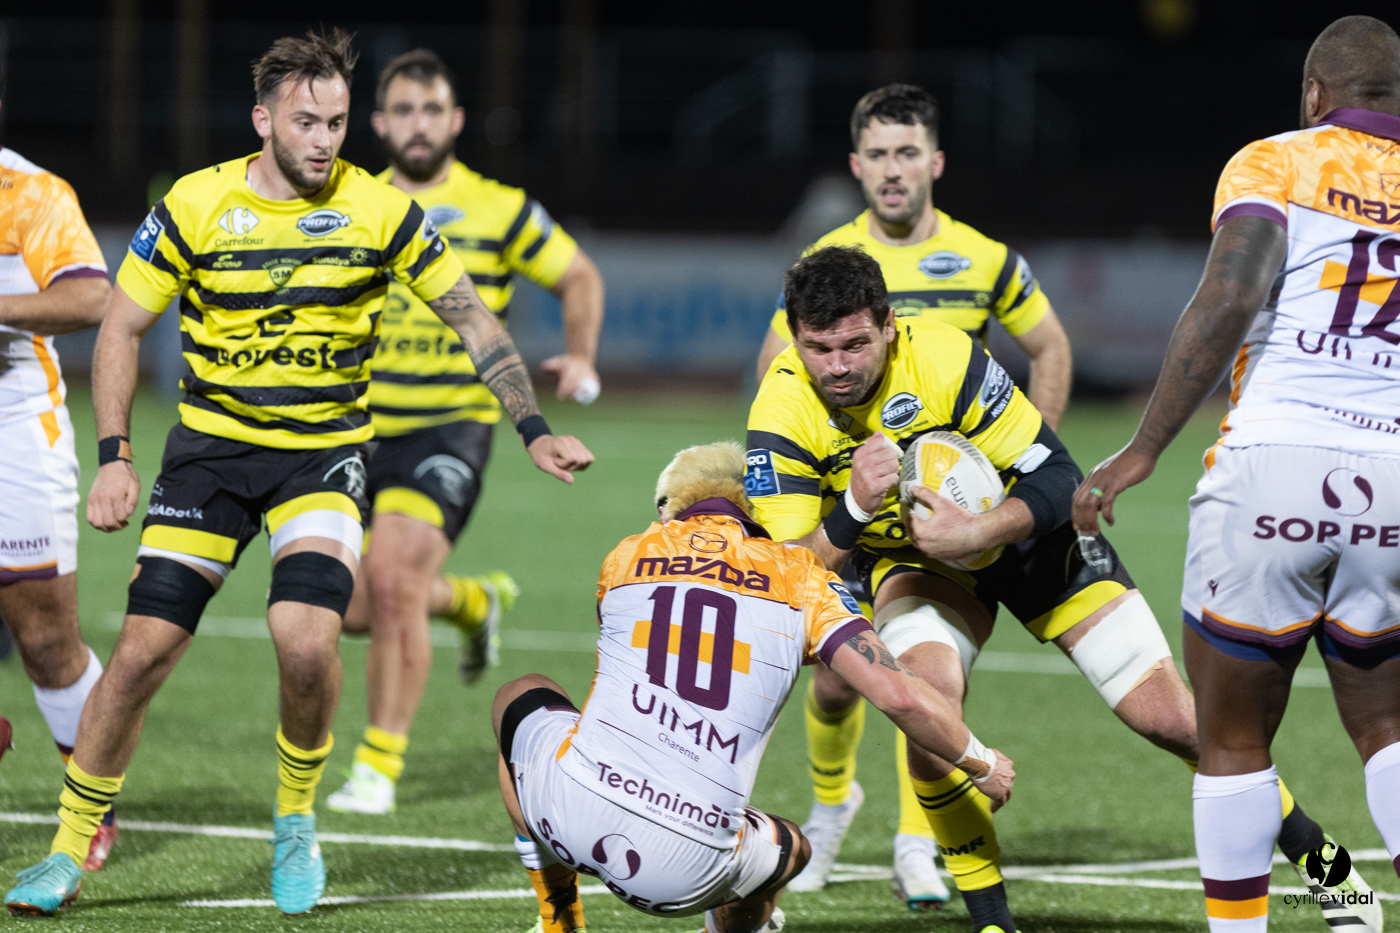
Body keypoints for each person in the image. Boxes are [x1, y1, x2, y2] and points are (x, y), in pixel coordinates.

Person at [3, 29, 592, 918]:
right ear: (262, 119)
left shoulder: (379, 209)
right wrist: (116, 456)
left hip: (321, 458)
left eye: (339, 123)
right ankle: (66, 845)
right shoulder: (198, 203)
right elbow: (120, 328)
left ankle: (295, 821)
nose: (325, 140)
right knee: (136, 654)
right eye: (307, 122)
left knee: (307, 638)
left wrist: (533, 426)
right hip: (209, 455)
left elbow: (472, 314)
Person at [747, 245, 1370, 932]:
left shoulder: (946, 357)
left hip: (1030, 540)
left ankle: (1329, 872)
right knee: (926, 720)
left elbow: (1056, 476)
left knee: (1179, 723)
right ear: (796, 337)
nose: (837, 366)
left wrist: (980, 528)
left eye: (854, 344)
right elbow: (789, 573)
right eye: (819, 348)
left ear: (889, 325)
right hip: (919, 563)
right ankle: (992, 921)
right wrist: (855, 511)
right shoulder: (779, 410)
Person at [1073, 15, 1400, 933]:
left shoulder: (1277, 160)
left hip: (1274, 462)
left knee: (1232, 735)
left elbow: (1231, 292)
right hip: (1395, 471)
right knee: (1385, 724)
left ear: (1314, 94)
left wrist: (1141, 447)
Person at [752, 84, 1073, 906]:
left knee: (915, 669)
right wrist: (809, 466)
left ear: (934, 162)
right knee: (831, 677)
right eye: (878, 157)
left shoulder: (986, 257)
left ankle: (913, 840)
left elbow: (1048, 346)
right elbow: (774, 370)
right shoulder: (823, 261)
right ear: (856, 167)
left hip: (940, 515)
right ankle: (833, 803)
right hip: (845, 501)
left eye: (907, 154)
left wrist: (1026, 461)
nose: (892, 172)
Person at [493, 441, 1014, 933]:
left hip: (563, 815)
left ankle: (558, 913)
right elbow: (898, 694)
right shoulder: (800, 577)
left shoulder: (626, 555)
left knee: (519, 693)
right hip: (682, 872)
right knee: (791, 850)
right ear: (753, 510)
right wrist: (981, 762)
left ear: (669, 507)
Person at [328, 48, 605, 817]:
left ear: (455, 120)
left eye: (433, 110)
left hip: (450, 428)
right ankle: (469, 602)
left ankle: (377, 765)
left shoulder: (500, 206)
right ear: (379, 123)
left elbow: (579, 275)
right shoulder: (352, 202)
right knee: (343, 603)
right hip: (355, 431)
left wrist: (580, 353)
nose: (418, 125)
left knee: (389, 582)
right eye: (403, 111)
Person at [0, 123, 116, 871]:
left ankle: (91, 801)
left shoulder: (30, 192)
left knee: (45, 640)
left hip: (14, 422)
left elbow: (91, 295)